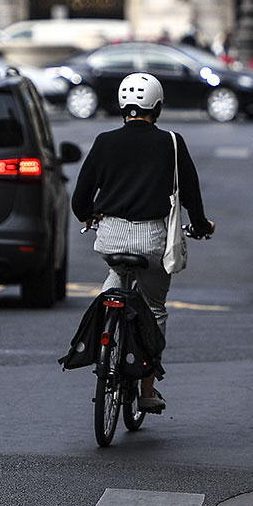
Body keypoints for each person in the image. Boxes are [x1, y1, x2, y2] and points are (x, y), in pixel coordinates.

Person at [70, 72, 215, 413]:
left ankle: (105, 340)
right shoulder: (172, 143)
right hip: (151, 242)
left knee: (111, 290)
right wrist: (201, 226)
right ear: (158, 107)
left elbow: (79, 201)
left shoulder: (104, 141)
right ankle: (147, 389)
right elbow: (191, 197)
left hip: (111, 238)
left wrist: (91, 214)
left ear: (123, 106)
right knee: (154, 309)